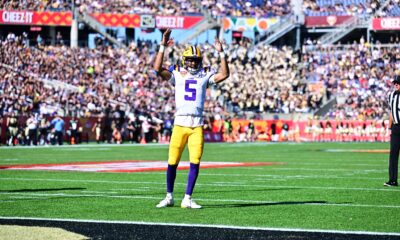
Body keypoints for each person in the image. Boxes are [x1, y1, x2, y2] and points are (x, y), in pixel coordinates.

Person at [153, 28, 230, 208]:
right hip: (180, 123)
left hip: (196, 124)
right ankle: (169, 196)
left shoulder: (205, 74)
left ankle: (187, 198)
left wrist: (222, 53)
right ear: (184, 60)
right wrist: (162, 46)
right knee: (172, 161)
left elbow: (224, 74)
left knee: (195, 162)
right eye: (189, 59)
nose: (192, 63)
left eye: (195, 60)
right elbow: (157, 68)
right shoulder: (177, 73)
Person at [385, 76, 400, 187]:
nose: (396, 84)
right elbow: (391, 112)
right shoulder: (391, 96)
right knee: (393, 154)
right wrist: (389, 128)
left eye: (398, 83)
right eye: (395, 83)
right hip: (396, 127)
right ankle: (393, 180)